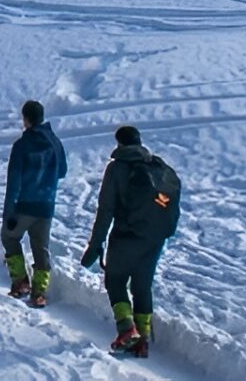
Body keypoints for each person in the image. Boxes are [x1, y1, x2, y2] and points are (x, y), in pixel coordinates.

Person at [80, 125, 180, 358]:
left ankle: (127, 329)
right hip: (154, 238)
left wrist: (95, 245)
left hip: (127, 236)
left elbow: (105, 210)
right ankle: (142, 339)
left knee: (115, 281)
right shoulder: (157, 166)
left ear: (119, 144)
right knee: (142, 286)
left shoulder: (117, 169)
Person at [1, 99, 66, 307]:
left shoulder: (21, 145)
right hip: (46, 206)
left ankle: (20, 282)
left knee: (9, 238)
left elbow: (14, 182)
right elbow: (63, 171)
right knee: (41, 248)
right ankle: (39, 293)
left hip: (24, 206)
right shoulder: (55, 142)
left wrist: (9, 213)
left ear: (26, 119)